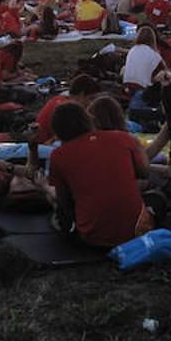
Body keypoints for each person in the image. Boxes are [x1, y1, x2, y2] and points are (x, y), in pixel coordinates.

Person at [47, 102, 153, 246]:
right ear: (88, 119)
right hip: (137, 231)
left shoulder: (58, 155)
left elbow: (63, 201)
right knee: (157, 199)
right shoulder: (123, 138)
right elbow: (145, 172)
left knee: (58, 213)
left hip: (92, 238)